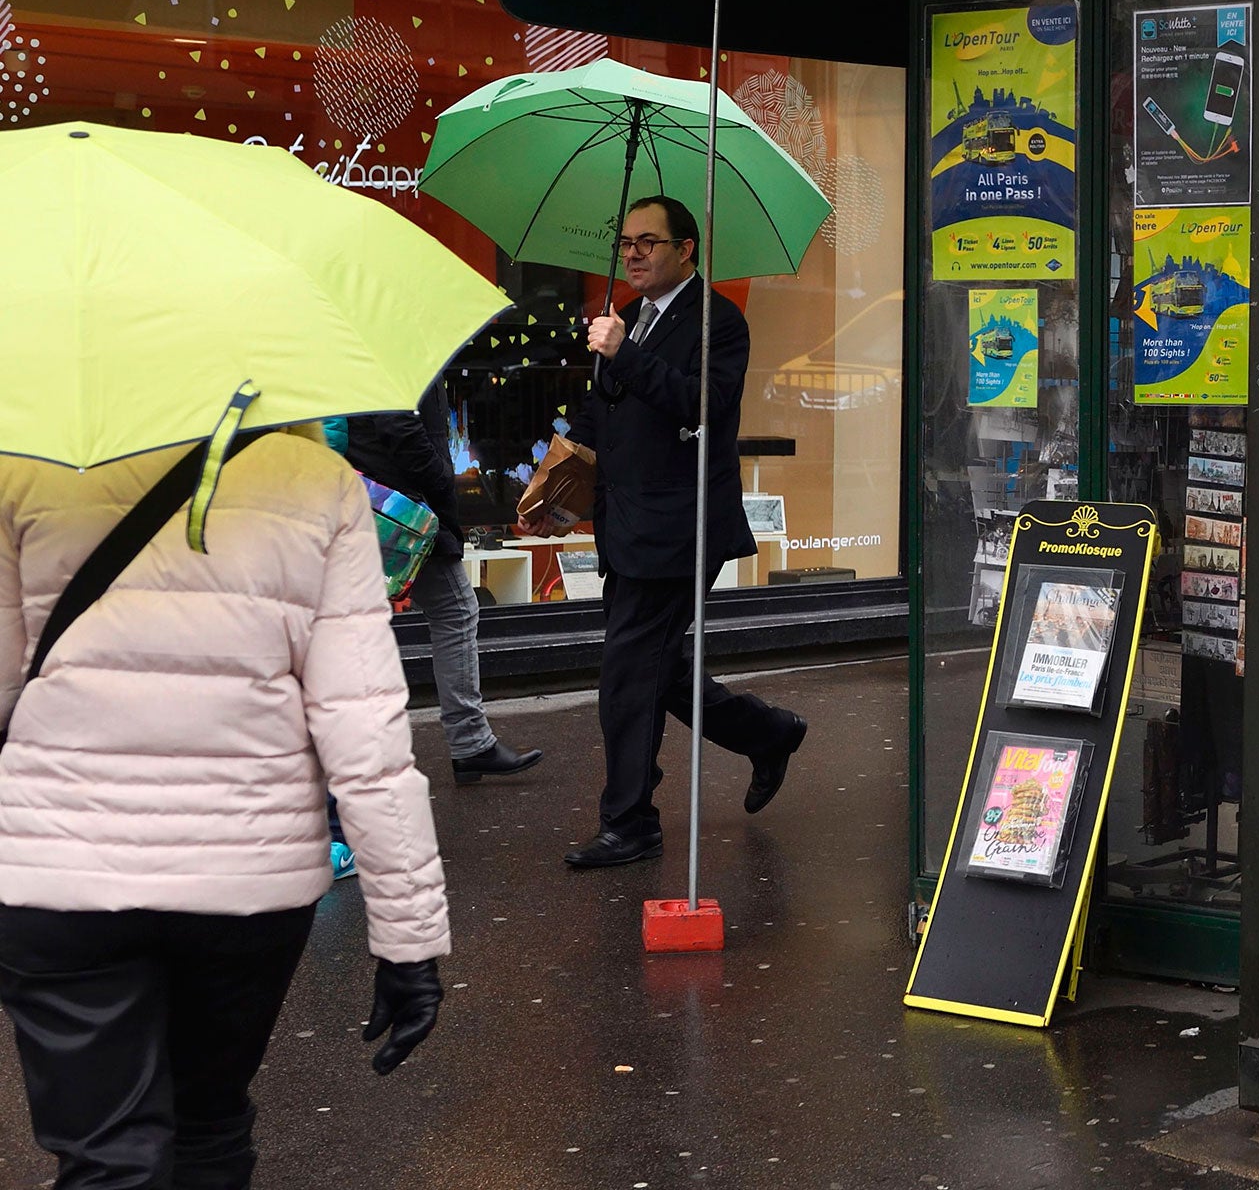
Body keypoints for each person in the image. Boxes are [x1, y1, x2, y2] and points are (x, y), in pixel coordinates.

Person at [0, 431, 448, 1186]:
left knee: (105, 1156)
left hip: (61, 868)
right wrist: (408, 938)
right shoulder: (317, 481)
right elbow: (365, 735)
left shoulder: (24, 469)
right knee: (207, 1126)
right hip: (246, 874)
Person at [536, 195, 806, 871]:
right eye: (625, 242)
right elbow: (603, 422)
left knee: (629, 672)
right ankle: (768, 732)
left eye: (648, 242)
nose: (632, 253)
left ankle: (629, 822)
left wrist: (624, 355)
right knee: (660, 666)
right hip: (625, 525)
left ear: (686, 250)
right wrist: (556, 486)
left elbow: (701, 404)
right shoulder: (622, 319)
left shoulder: (719, 321)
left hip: (681, 527)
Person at [331, 384, 544, 785]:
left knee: (358, 625)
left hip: (378, 501)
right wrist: (442, 480)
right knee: (456, 610)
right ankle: (470, 743)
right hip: (403, 510)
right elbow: (399, 427)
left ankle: (354, 751)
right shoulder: (400, 340)